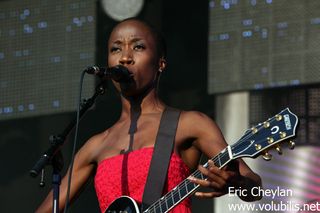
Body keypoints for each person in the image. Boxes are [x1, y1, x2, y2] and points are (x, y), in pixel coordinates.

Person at [36, 18, 262, 213]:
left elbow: (255, 187)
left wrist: (236, 183)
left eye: (138, 47)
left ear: (160, 63)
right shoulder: (95, 145)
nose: (125, 58)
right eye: (116, 49)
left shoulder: (190, 124)